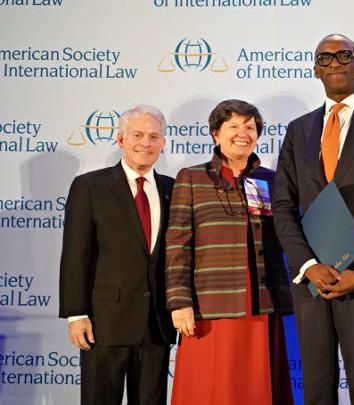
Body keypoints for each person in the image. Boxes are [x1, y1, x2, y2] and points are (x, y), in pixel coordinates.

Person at [272, 34, 354, 405]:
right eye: (325, 58)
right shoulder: (298, 129)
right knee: (316, 387)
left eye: (344, 55)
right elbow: (282, 205)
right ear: (316, 70)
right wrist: (308, 265)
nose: (335, 63)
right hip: (310, 281)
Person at [165, 99, 294, 405]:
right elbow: (177, 246)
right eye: (233, 126)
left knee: (257, 387)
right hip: (210, 306)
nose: (242, 133)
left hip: (261, 303)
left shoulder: (271, 180)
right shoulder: (192, 178)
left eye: (250, 127)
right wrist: (179, 303)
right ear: (215, 134)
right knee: (212, 388)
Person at [58, 105, 175, 405]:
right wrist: (77, 313)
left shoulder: (173, 189)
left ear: (163, 143)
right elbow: (75, 255)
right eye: (137, 135)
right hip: (103, 324)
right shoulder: (90, 186)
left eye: (153, 136)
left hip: (156, 326)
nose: (145, 143)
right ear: (121, 139)